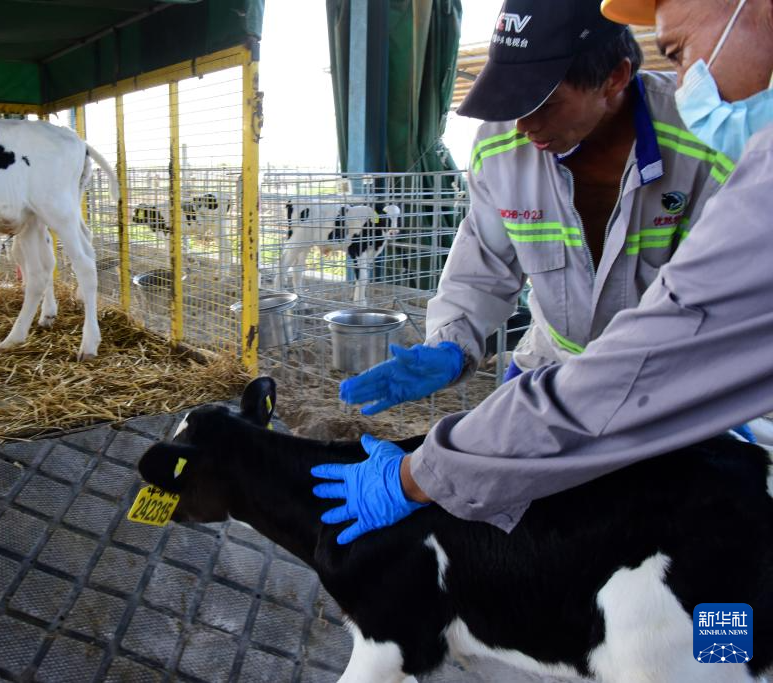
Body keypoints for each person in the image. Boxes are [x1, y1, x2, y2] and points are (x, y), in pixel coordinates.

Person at [312, 0, 773, 545]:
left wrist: (426, 473)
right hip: (551, 371)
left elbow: (688, 324)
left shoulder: (711, 146)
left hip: (676, 380)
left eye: (544, 103)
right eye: (512, 102)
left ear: (615, 78)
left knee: (708, 558)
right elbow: (482, 265)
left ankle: (722, 636)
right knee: (540, 551)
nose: (526, 125)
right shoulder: (501, 148)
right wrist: (453, 342)